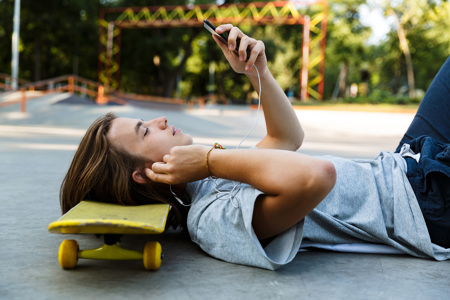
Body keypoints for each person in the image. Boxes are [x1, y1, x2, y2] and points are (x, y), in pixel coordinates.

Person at [60, 25, 450, 270]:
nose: (160, 121)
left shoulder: (206, 183)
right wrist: (212, 161)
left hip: (407, 162)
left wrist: (256, 71)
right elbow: (314, 177)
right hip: (424, 200)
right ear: (146, 174)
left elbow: (286, 140)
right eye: (145, 131)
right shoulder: (209, 219)